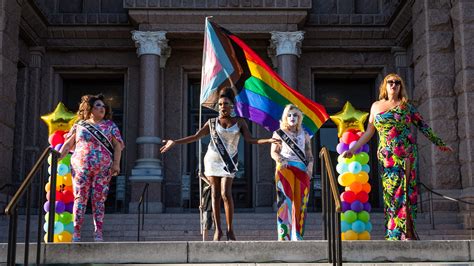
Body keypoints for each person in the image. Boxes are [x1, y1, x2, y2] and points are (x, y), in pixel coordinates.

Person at [341, 74, 452, 240]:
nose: (394, 85)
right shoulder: (376, 106)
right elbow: (369, 132)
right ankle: (393, 233)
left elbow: (423, 126)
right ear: (384, 86)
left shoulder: (406, 106)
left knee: (404, 191)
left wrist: (439, 143)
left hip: (406, 153)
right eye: (390, 82)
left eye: (397, 83)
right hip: (387, 157)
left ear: (400, 86)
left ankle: (406, 232)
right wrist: (354, 149)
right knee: (391, 192)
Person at [160, 88, 279, 241]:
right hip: (211, 161)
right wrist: (175, 142)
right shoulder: (211, 122)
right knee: (215, 194)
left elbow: (250, 140)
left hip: (228, 163)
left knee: (226, 193)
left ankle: (230, 230)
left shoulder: (240, 122)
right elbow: (196, 137)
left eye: (226, 104)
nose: (223, 106)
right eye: (221, 104)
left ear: (232, 105)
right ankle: (218, 230)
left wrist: (267, 140)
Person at [59, 94, 124, 242]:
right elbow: (68, 144)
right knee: (80, 198)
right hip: (81, 167)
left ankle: (98, 232)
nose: (102, 108)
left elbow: (118, 146)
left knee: (99, 199)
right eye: (98, 105)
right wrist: (59, 156)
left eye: (103, 106)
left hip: (103, 169)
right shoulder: (80, 125)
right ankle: (76, 232)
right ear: (89, 108)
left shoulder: (110, 126)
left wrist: (116, 163)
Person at [270, 104, 313, 241]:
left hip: (302, 170)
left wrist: (310, 167)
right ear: (285, 117)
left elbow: (309, 154)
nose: (292, 117)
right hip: (285, 168)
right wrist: (279, 160)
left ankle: (298, 235)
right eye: (289, 115)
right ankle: (284, 236)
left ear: (299, 118)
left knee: (301, 203)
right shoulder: (278, 133)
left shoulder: (305, 134)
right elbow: (273, 152)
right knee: (285, 203)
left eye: (295, 115)